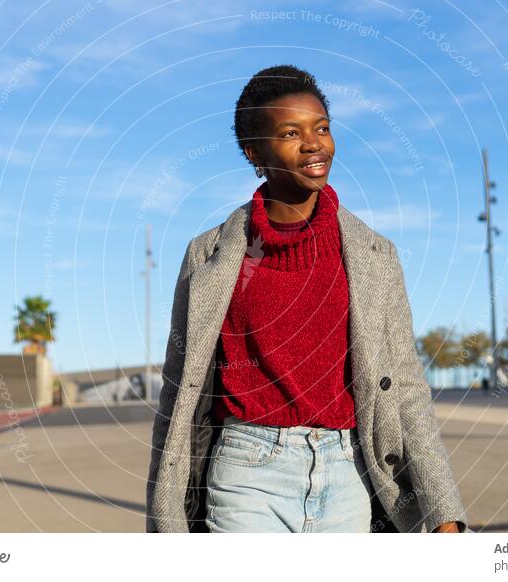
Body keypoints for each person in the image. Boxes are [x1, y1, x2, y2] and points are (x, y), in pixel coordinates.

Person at [146, 64, 468, 533]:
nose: (314, 143)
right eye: (291, 132)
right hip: (245, 474)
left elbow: (406, 390)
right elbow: (178, 393)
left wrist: (444, 511)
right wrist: (164, 522)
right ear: (255, 152)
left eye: (322, 128)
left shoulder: (376, 256)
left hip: (350, 474)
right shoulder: (207, 257)